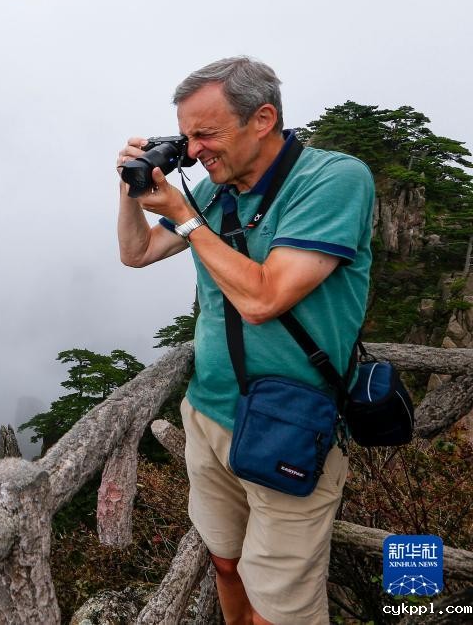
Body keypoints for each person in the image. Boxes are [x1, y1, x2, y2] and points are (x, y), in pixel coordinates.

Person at [116, 56, 374, 624]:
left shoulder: (332, 180)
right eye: (186, 137)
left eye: (206, 134)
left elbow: (262, 299)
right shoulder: (214, 190)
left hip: (292, 419)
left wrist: (186, 217)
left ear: (262, 118)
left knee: (280, 607)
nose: (195, 149)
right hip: (209, 413)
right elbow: (136, 254)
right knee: (226, 563)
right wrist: (131, 188)